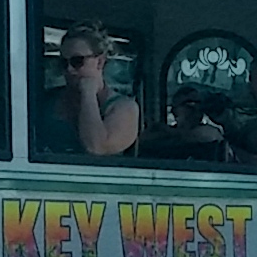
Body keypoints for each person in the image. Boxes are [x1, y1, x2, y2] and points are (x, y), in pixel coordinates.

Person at [38, 21, 139, 156]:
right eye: (63, 63)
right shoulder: (47, 100)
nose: (69, 69)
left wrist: (88, 95)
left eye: (77, 61)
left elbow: (96, 147)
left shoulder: (123, 108)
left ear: (100, 62)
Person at [142, 85, 224, 146]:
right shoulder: (160, 136)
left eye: (198, 103)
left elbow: (200, 136)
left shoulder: (210, 133)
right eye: (188, 104)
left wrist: (169, 131)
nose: (195, 108)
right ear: (174, 110)